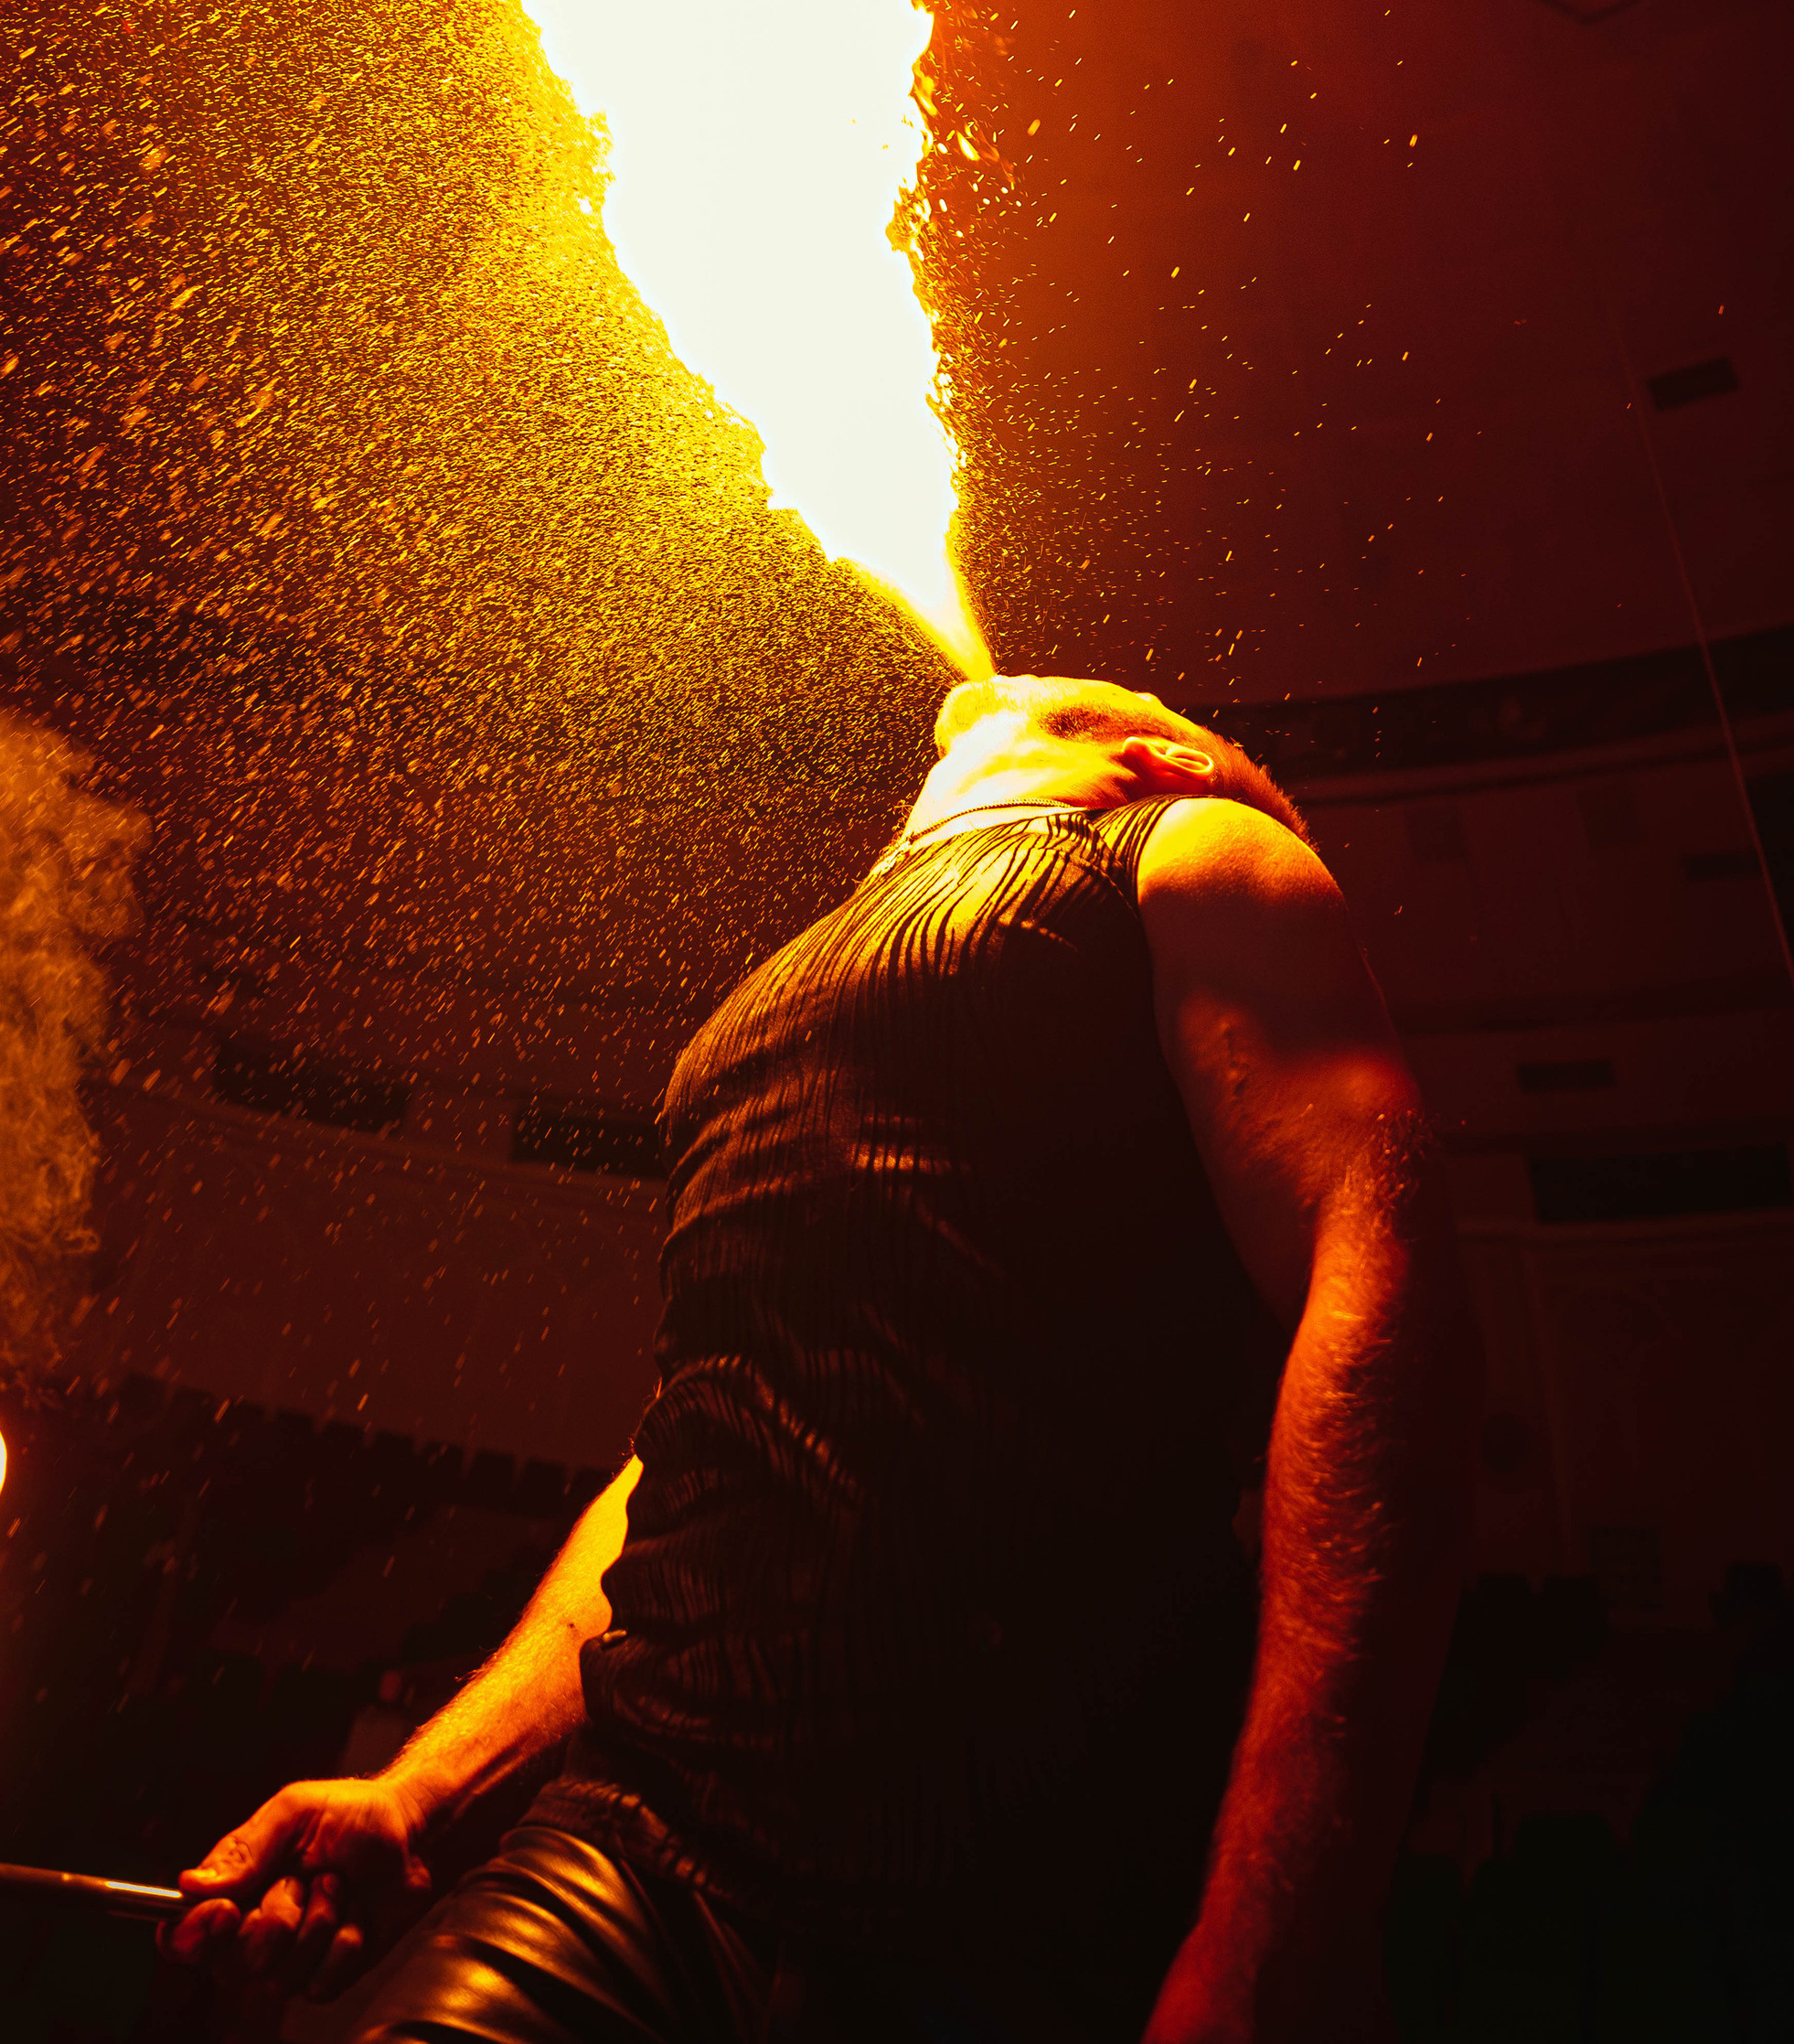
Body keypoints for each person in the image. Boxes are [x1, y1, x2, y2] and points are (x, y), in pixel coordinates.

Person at [171, 673, 1480, 2042]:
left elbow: (1394, 1309)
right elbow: (695, 1446)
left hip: (1021, 1888)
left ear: (1143, 756)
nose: (994, 680)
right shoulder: (777, 987)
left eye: (1066, 695)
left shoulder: (1194, 849)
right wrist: (421, 1796)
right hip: (637, 1833)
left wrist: (1285, 1928)